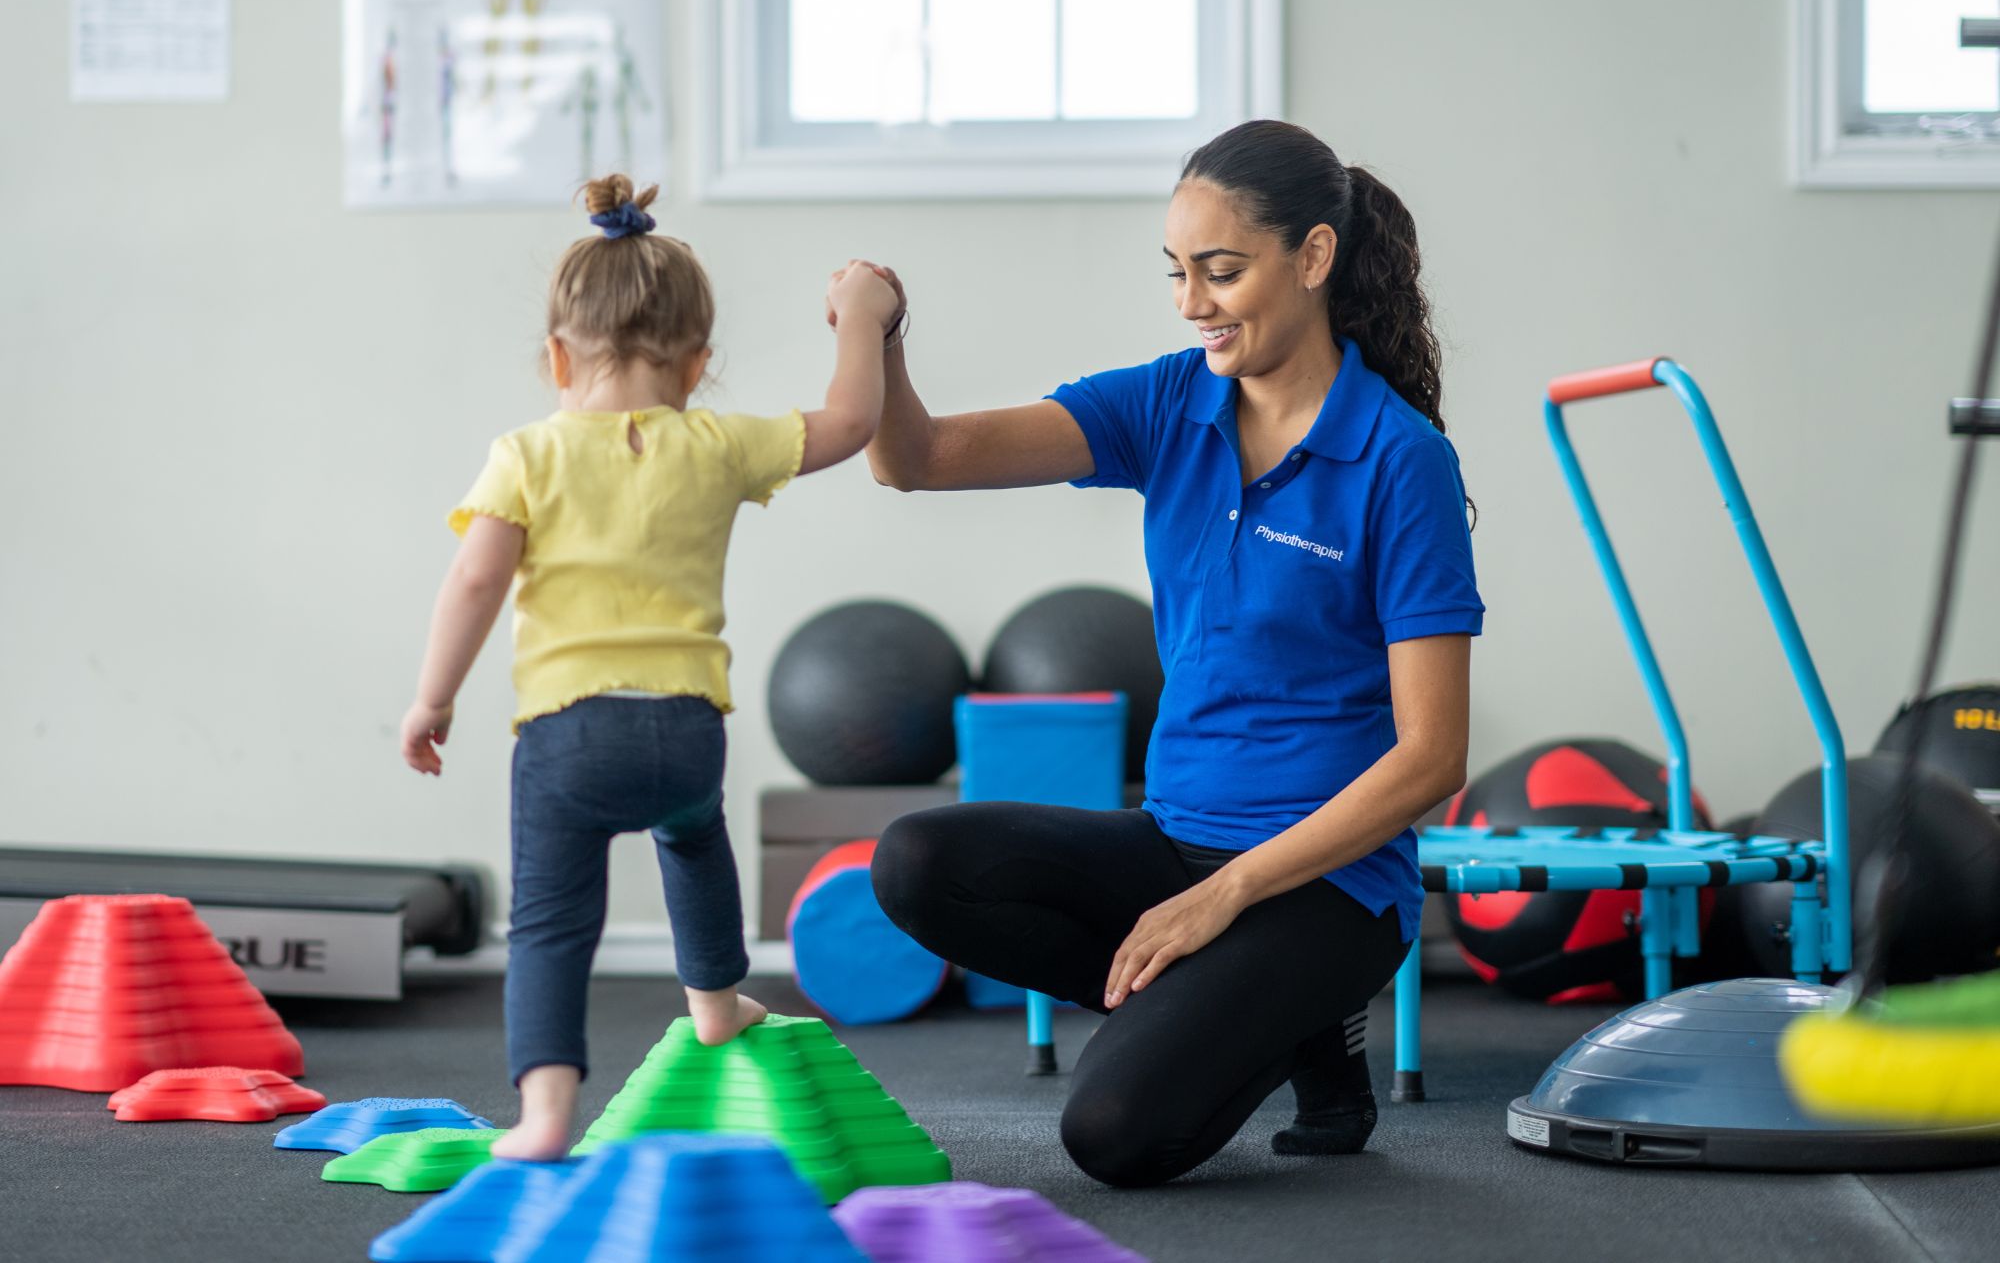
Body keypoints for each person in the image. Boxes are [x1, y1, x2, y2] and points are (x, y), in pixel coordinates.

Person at [864, 120, 1484, 1188]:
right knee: (916, 863)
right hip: (1173, 839)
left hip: (1325, 885)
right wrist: (876, 338)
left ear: (1314, 257)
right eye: (1177, 273)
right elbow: (913, 461)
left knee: (1112, 1136)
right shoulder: (1166, 402)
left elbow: (1432, 759)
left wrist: (1230, 893)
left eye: (1221, 271)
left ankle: (1296, 1009)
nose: (1192, 301)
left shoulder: (1399, 460)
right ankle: (1275, 1026)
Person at [397, 174, 904, 1160]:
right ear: (698, 363)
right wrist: (862, 315)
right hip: (684, 732)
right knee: (692, 842)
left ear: (555, 355)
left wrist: (433, 697)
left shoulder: (526, 454)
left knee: (548, 919)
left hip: (565, 732)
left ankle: (545, 1114)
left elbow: (473, 580)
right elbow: (847, 424)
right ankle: (714, 996)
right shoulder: (713, 444)